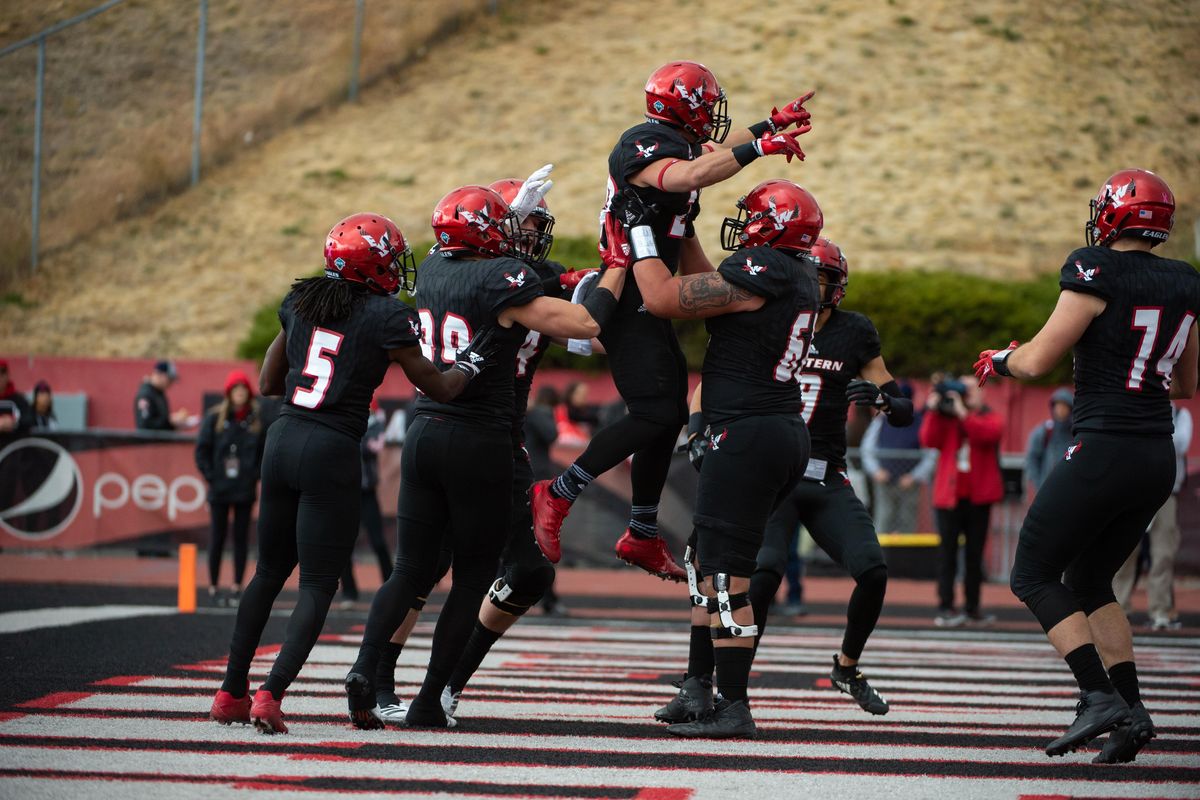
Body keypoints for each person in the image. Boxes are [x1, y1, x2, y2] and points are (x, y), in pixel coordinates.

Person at [344, 183, 626, 730]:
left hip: (427, 428)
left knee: (417, 568)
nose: (532, 233)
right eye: (523, 222)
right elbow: (589, 331)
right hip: (487, 438)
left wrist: (570, 278)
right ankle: (433, 695)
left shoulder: (433, 268)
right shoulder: (513, 279)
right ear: (498, 229)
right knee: (474, 575)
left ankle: (374, 675)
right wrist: (608, 271)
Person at [531, 61, 816, 581]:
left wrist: (765, 128)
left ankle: (641, 530)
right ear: (682, 105)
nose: (712, 115)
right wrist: (759, 147)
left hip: (645, 282)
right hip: (627, 286)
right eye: (705, 103)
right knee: (656, 414)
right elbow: (688, 174)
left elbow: (706, 159)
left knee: (664, 409)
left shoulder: (680, 144)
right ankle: (557, 492)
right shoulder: (643, 143)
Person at [208, 212, 492, 734]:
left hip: (282, 438)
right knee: (317, 583)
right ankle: (271, 694)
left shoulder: (300, 300)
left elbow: (270, 381)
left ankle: (231, 691)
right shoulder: (388, 315)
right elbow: (441, 387)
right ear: (375, 264)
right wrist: (473, 362)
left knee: (268, 572)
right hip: (331, 446)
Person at [975, 169, 1198, 761]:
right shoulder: (1184, 279)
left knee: (1032, 573)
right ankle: (1133, 710)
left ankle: (1097, 696)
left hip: (1105, 446)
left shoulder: (1094, 266)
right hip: (1156, 453)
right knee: (1092, 580)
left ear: (1115, 214)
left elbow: (1038, 360)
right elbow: (1188, 382)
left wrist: (1000, 358)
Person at [659, 231, 915, 730]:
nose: (814, 287)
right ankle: (721, 691)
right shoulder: (768, 310)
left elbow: (901, 403)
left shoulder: (850, 330)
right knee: (756, 572)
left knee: (870, 569)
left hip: (814, 468)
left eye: (823, 279)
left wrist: (883, 399)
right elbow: (715, 377)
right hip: (774, 456)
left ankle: (840, 668)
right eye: (810, 276)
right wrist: (696, 430)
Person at [601, 179, 823, 738]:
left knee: (727, 575)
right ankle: (699, 686)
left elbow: (662, 298)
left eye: (750, 217)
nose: (741, 225)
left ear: (769, 226)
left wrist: (643, 234)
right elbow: (706, 280)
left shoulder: (766, 272)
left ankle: (735, 704)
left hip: (749, 434)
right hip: (766, 429)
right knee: (708, 561)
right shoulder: (784, 272)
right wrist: (686, 226)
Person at [919, 376, 1005, 628]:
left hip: (979, 497)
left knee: (974, 555)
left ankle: (972, 607)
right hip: (949, 497)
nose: (965, 397)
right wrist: (934, 411)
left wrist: (963, 414)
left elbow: (987, 435)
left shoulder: (990, 417)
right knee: (947, 554)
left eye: (969, 392)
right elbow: (928, 439)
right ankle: (945, 606)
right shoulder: (947, 420)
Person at [1113, 401, 1192, 630]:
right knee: (1123, 552)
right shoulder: (1134, 403)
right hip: (1133, 489)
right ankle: (1117, 608)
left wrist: (1153, 426)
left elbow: (1181, 444)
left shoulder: (1180, 413)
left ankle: (1160, 611)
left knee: (1163, 554)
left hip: (1167, 492)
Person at [195, 370, 266, 607]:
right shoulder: (214, 419)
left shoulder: (256, 421)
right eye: (236, 389)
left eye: (243, 389)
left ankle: (237, 586)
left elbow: (263, 453)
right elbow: (202, 450)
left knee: (241, 538)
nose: (240, 394)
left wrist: (253, 475)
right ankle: (214, 586)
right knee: (217, 537)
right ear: (228, 392)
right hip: (220, 488)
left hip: (244, 489)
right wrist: (211, 475)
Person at [861, 381, 936, 533]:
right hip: (885, 479)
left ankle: (906, 556)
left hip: (908, 481)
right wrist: (876, 471)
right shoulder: (882, 420)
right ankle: (881, 555)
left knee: (907, 522)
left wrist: (914, 476)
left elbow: (930, 452)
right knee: (883, 519)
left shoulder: (919, 420)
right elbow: (867, 447)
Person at [339, 398, 392, 607]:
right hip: (347, 490)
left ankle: (391, 588)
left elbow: (373, 446)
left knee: (378, 541)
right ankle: (349, 593)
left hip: (367, 490)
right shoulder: (345, 417)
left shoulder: (374, 421)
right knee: (344, 545)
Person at [1024, 388, 1075, 493]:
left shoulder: (1075, 434)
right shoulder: (1044, 431)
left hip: (1071, 492)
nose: (1060, 410)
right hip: (1046, 490)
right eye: (1058, 405)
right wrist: (1039, 484)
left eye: (1064, 406)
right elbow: (1032, 459)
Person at [134, 360, 190, 431]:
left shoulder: (159, 393)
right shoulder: (145, 395)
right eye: (169, 380)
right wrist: (170, 421)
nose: (171, 384)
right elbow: (145, 426)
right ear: (159, 375)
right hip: (150, 442)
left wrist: (174, 424)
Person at [525, 385, 560, 481]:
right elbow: (551, 435)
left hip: (528, 461)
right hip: (537, 464)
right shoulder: (540, 413)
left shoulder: (531, 412)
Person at [0, 360, 33, 439]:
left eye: (2, 372)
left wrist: (13, 422)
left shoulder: (19, 400)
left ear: (8, 375)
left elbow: (29, 419)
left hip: (14, 447)